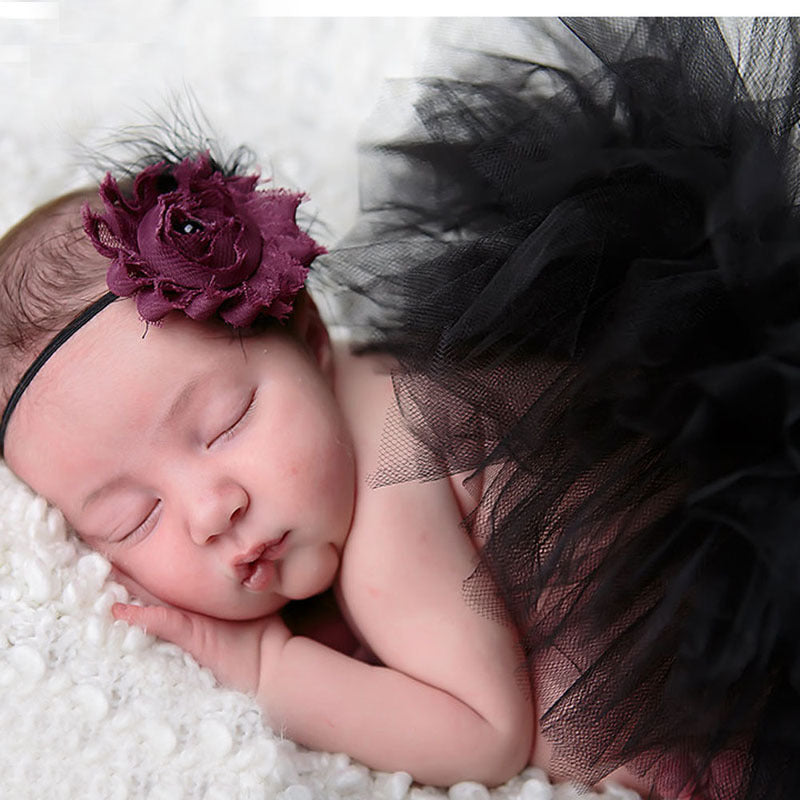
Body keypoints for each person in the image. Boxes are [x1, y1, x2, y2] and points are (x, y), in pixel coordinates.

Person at [0, 16, 798, 800]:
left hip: (731, 633)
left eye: (225, 425)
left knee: (574, 720)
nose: (212, 510)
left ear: (309, 333)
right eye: (134, 519)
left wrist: (268, 669)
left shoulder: (391, 477)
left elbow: (480, 734)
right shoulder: (368, 390)